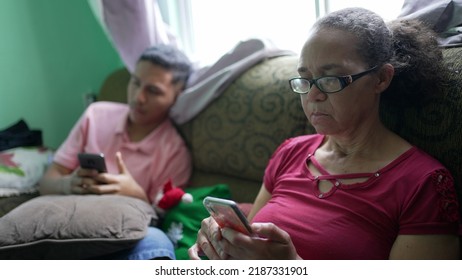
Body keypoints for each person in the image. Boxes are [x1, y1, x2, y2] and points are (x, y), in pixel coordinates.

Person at [188, 8, 460, 260]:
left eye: (331, 79)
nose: (313, 95)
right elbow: (252, 240)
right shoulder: (290, 152)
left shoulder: (423, 184)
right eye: (305, 79)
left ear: (381, 79)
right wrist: (223, 245)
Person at [39, 44, 193, 259]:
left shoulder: (175, 152)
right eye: (136, 83)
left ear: (177, 97)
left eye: (153, 90)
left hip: (125, 234)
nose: (139, 97)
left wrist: (136, 194)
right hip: (72, 219)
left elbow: (166, 220)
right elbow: (46, 181)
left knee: (157, 241)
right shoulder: (96, 114)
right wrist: (67, 184)